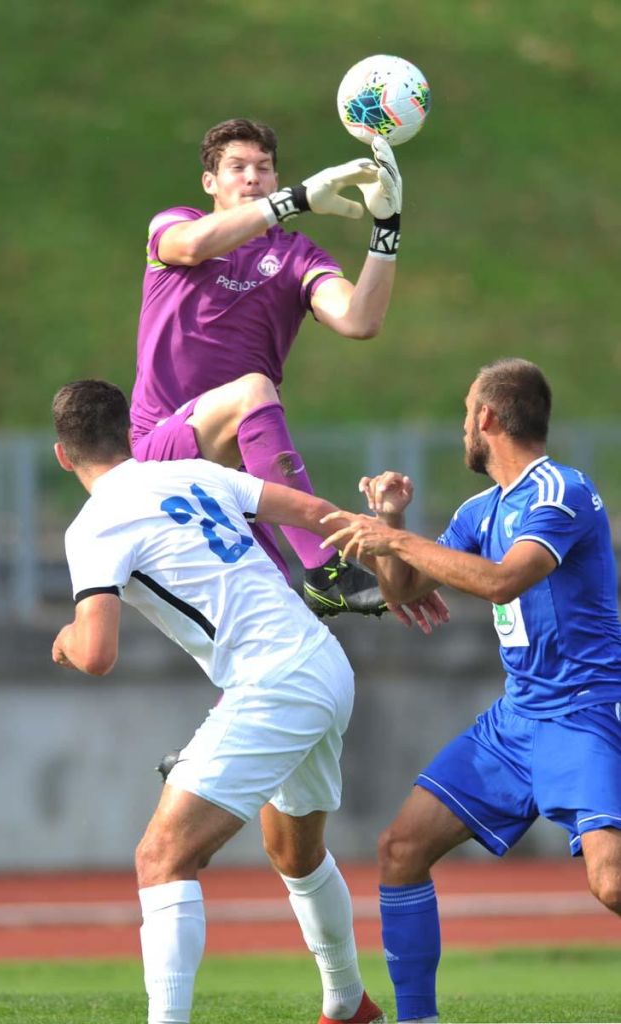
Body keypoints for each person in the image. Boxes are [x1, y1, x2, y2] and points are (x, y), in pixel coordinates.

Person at [51, 378, 398, 1024]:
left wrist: (67, 640)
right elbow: (313, 514)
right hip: (321, 663)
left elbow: (96, 654)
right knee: (295, 853)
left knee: (161, 857)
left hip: (276, 685)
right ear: (130, 432)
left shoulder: (92, 527)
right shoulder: (192, 471)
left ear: (63, 456)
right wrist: (393, 550)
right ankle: (349, 1004)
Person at [320, 358, 621, 1023]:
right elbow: (404, 591)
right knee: (400, 850)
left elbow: (498, 582)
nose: (462, 428)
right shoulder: (482, 508)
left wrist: (394, 537)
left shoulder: (559, 491)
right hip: (516, 719)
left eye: (464, 415)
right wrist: (390, 523)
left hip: (583, 711)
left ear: (487, 418)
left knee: (610, 883)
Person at [130, 116, 404, 617]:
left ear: (276, 177)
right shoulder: (176, 224)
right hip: (161, 451)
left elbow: (359, 319)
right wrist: (291, 202)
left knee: (276, 619)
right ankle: (324, 570)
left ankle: (307, 598)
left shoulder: (297, 255)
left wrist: (386, 228)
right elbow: (191, 246)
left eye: (263, 168)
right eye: (237, 167)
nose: (252, 177)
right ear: (210, 183)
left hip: (240, 473)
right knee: (252, 389)